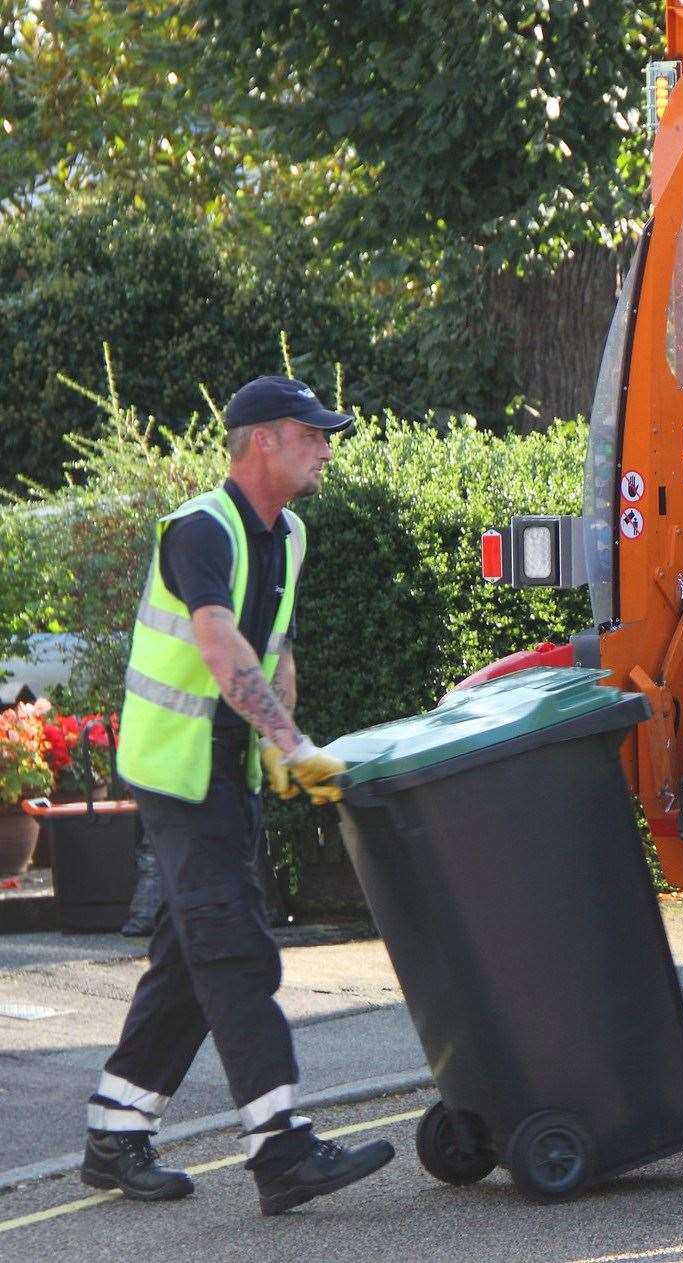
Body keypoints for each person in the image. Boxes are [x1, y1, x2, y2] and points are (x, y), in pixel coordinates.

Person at [81, 376, 394, 1216]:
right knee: (235, 948)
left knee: (192, 956)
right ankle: (280, 1145)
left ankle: (117, 1127)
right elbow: (219, 641)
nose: (327, 447)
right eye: (313, 433)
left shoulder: (287, 534)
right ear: (263, 440)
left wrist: (277, 739)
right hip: (179, 773)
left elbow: (273, 649)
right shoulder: (198, 530)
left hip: (228, 771)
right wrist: (288, 741)